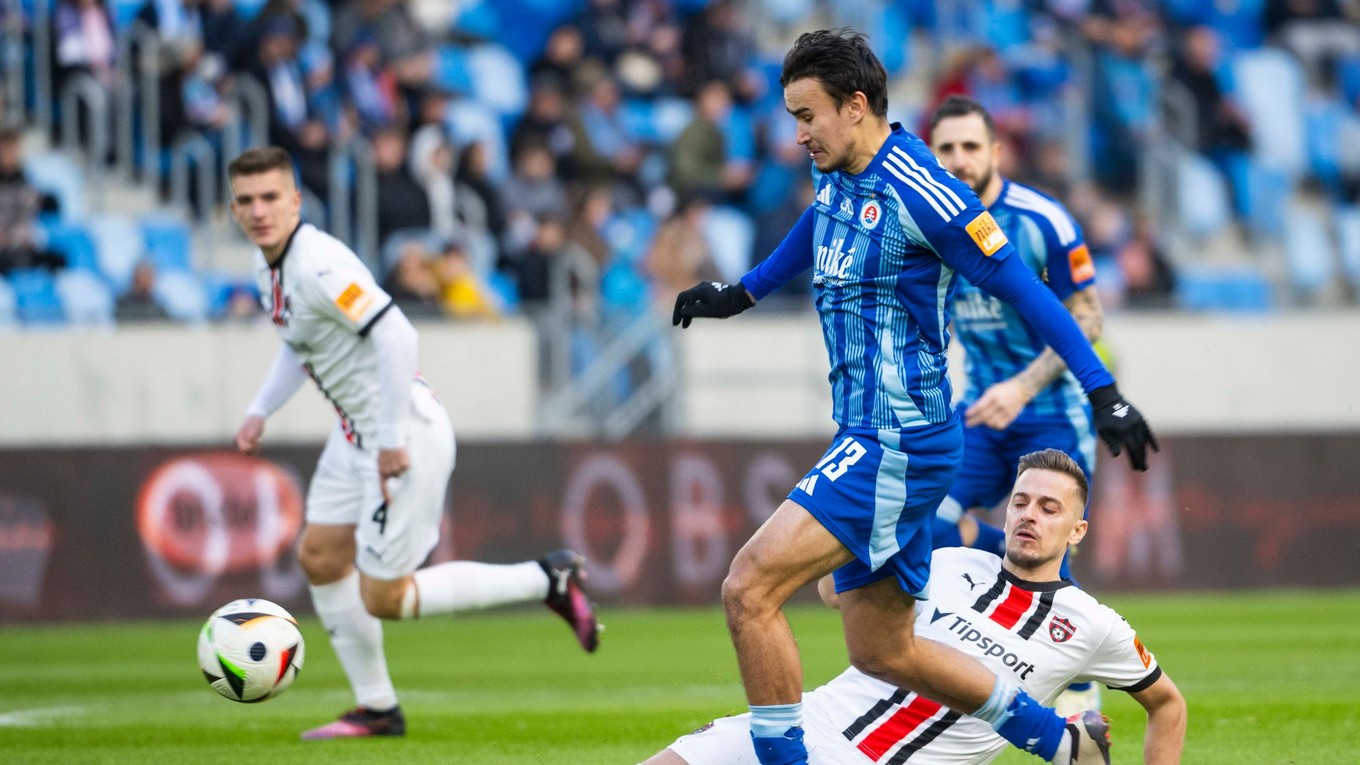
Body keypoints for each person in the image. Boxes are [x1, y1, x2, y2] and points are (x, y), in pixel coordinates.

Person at [671, 30, 1156, 765]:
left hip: (899, 441)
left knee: (748, 588)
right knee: (885, 649)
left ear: (856, 105)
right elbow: (814, 228)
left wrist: (1103, 389)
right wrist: (740, 292)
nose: (797, 134)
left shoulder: (925, 192)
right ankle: (1060, 742)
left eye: (807, 115)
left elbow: (1026, 288)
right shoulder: (838, 171)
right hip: (864, 434)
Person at [226, 147, 600, 740]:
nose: (259, 210)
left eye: (271, 197)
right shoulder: (265, 266)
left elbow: (397, 332)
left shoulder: (319, 265)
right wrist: (259, 409)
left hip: (403, 435)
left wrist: (391, 437)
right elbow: (303, 344)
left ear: (296, 201)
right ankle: (376, 708)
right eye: (246, 201)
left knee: (385, 597)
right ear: (234, 208)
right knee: (320, 556)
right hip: (356, 437)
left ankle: (546, 579)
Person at [643, 449, 1187, 765]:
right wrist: (871, 537)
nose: (1029, 516)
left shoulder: (1094, 625)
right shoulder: (951, 562)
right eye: (1020, 502)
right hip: (804, 723)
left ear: (1078, 530)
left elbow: (1168, 706)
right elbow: (834, 595)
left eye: (1050, 509)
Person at [927, 94, 1107, 716]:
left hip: (1050, 407)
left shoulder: (1041, 220)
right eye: (945, 148)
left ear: (995, 151)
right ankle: (943, 652)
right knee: (925, 516)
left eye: (970, 146)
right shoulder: (927, 224)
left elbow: (1089, 314)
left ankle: (1080, 686)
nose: (958, 159)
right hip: (980, 408)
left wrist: (1022, 386)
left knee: (1051, 554)